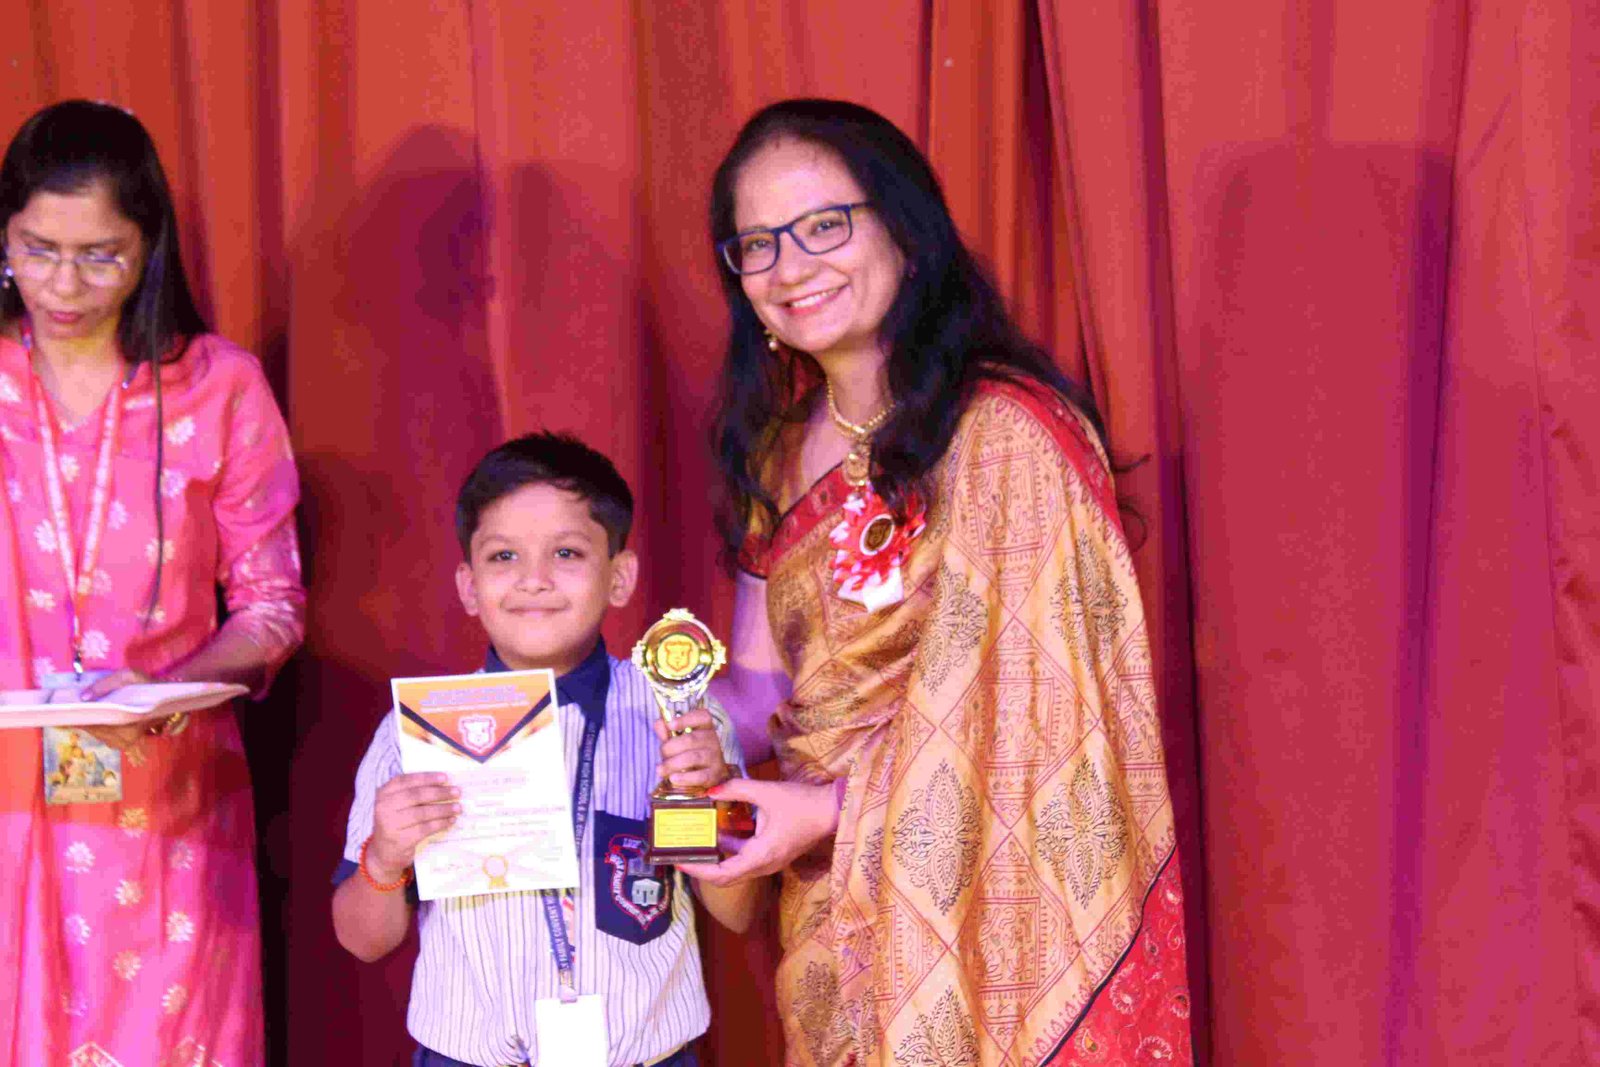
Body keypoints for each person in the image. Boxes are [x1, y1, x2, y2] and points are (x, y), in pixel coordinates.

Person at [689, 99, 1193, 1065]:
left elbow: (1040, 728)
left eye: (825, 225)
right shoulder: (776, 452)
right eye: (757, 244)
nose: (791, 267)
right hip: (829, 918)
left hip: (994, 914)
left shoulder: (1005, 433)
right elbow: (758, 689)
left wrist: (827, 809)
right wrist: (693, 739)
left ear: (907, 232)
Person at [0, 100, 305, 1062]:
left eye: (101, 256)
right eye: (37, 250)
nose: (64, 285)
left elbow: (272, 605)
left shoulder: (217, 387)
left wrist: (165, 690)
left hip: (167, 810)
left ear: (150, 249)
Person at [331, 431, 760, 1067]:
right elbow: (361, 939)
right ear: (468, 586)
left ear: (620, 577)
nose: (533, 580)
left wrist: (705, 799)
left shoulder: (681, 719)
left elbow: (739, 911)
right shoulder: (413, 733)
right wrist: (386, 855)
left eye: (566, 552)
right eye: (503, 556)